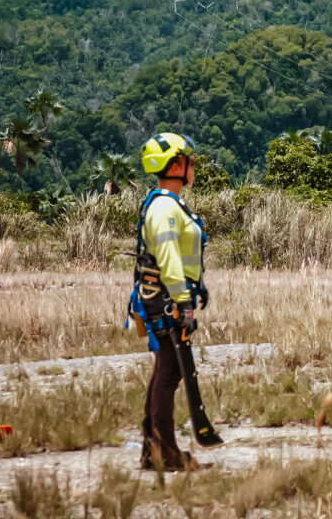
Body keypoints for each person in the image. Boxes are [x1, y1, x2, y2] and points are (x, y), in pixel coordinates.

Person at [132, 132, 208, 469]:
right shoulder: (165, 207)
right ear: (176, 165)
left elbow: (181, 255)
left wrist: (198, 286)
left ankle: (153, 449)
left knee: (166, 368)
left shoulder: (169, 203)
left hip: (167, 295)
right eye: (190, 161)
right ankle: (165, 453)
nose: (194, 166)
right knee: (170, 371)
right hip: (165, 298)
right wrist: (184, 302)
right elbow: (168, 259)